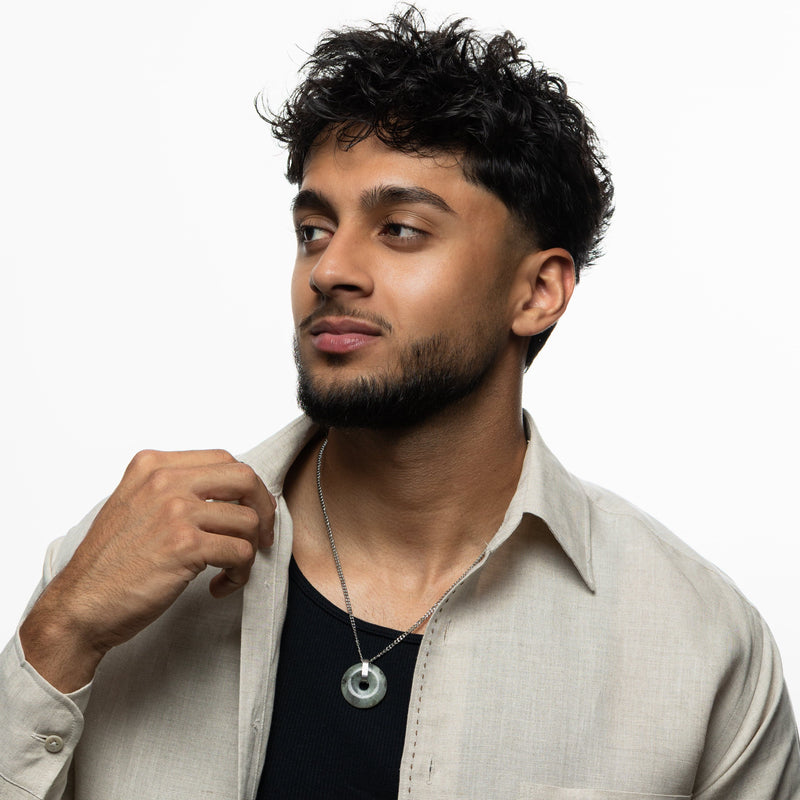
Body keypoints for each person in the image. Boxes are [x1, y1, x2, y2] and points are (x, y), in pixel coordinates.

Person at [1, 7, 798, 799]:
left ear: (538, 291)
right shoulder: (119, 562)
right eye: (314, 229)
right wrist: (59, 635)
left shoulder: (695, 647)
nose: (330, 269)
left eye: (403, 229)